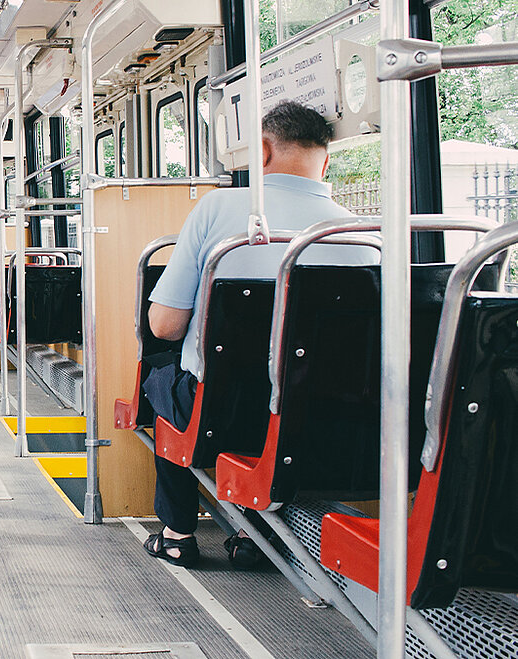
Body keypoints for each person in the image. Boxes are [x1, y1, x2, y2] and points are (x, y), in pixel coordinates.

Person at [141, 101, 377, 568]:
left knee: (161, 380)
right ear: (325, 161)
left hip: (224, 410)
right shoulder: (363, 233)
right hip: (326, 417)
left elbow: (165, 325)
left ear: (262, 151)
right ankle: (258, 534)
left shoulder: (219, 209)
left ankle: (177, 531)